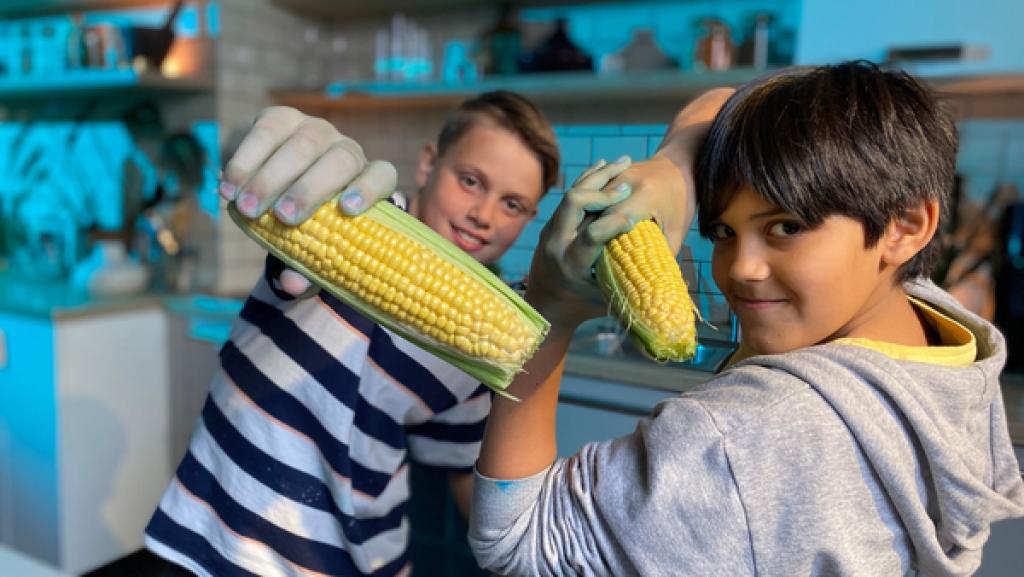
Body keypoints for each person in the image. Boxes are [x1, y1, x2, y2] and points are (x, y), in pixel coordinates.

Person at [466, 61, 1024, 576]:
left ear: (906, 225)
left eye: (785, 227)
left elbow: (515, 537)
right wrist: (674, 167)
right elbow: (719, 99)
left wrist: (550, 309)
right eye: (725, 232)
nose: (742, 270)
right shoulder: (945, 334)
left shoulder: (744, 433)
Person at [143, 90, 564, 576]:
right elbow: (272, 178)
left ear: (531, 219)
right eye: (470, 181)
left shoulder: (478, 341)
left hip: (350, 559)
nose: (484, 215)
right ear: (429, 163)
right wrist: (268, 150)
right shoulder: (351, 207)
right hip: (217, 537)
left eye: (513, 204)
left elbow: (468, 477)